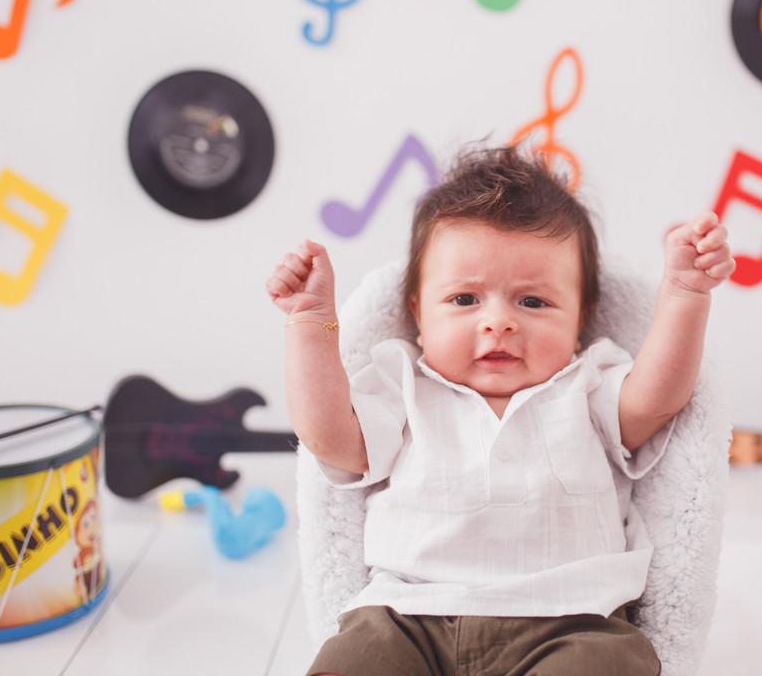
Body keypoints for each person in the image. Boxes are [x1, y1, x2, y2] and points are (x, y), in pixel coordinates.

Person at [266, 146, 735, 676]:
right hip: (406, 617)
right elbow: (331, 438)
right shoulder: (403, 381)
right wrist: (310, 324)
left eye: (532, 302)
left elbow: (656, 399)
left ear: (581, 320)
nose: (499, 322)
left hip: (576, 623)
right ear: (418, 314)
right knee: (352, 664)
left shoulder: (587, 382)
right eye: (465, 299)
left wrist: (683, 296)